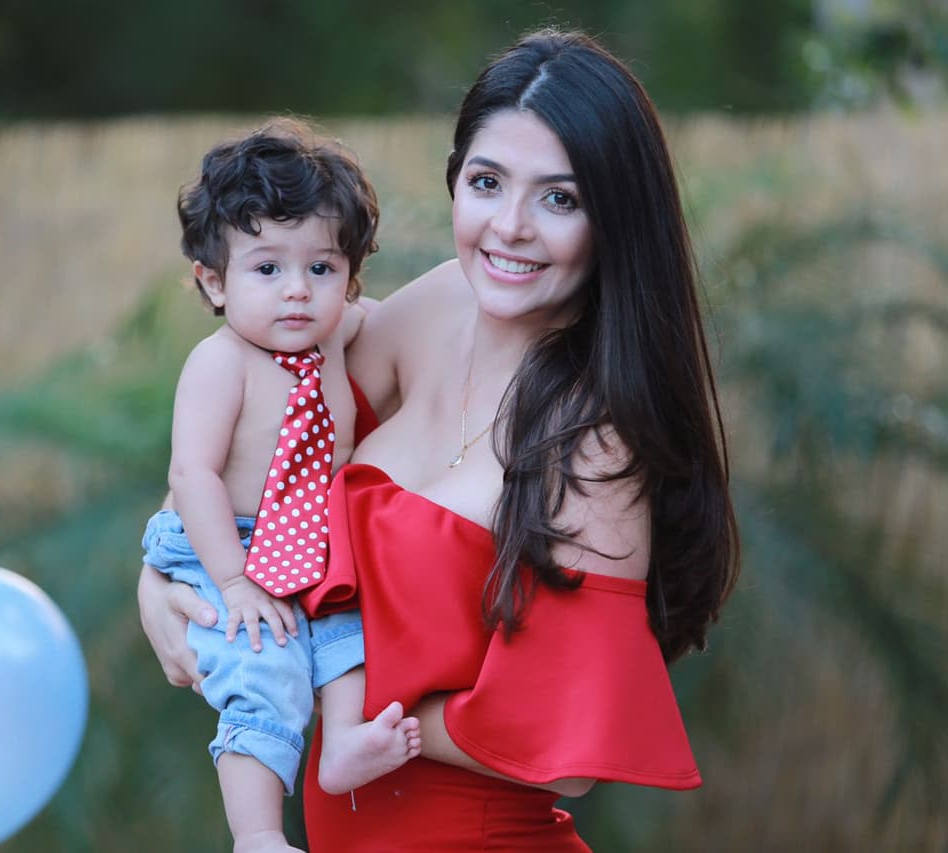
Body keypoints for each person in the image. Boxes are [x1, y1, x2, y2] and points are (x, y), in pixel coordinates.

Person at [140, 29, 739, 850]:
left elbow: (564, 752)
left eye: (560, 199)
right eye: (488, 182)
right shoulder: (438, 303)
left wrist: (328, 691)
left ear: (614, 220)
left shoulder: (599, 443)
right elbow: (256, 454)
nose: (511, 227)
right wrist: (160, 580)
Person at [140, 118, 421, 853]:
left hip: (307, 546)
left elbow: (412, 325)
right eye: (267, 269)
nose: (297, 292)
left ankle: (345, 743)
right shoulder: (221, 361)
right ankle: (258, 833)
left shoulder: (334, 332)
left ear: (349, 277)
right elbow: (190, 472)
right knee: (258, 667)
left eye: (321, 268)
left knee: (343, 633)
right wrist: (232, 582)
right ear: (214, 282)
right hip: (221, 541)